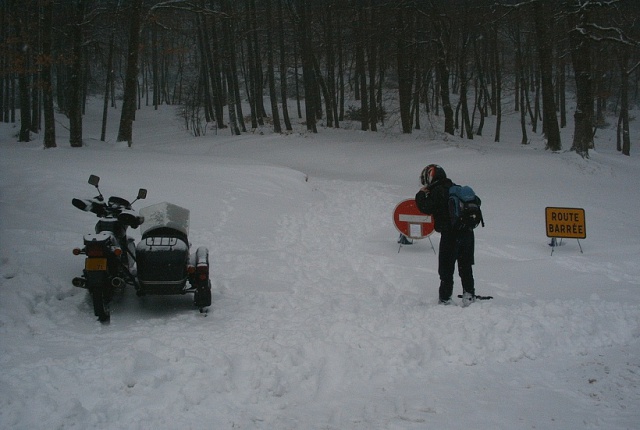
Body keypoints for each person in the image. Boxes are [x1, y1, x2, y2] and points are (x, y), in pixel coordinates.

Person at [415, 164, 476, 306]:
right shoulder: (455, 188)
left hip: (450, 235)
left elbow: (426, 207)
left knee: (446, 268)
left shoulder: (438, 190)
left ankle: (445, 297)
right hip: (467, 232)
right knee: (465, 266)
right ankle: (469, 294)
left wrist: (420, 194)